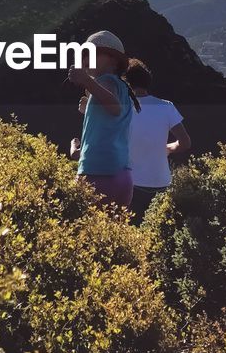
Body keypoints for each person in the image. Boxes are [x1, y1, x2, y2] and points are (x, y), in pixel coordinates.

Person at [68, 30, 140, 208]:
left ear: (113, 60)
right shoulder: (121, 87)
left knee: (83, 231)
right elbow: (110, 120)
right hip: (122, 175)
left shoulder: (106, 81)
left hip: (97, 175)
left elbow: (114, 107)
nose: (87, 60)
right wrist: (89, 111)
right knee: (112, 233)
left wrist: (86, 81)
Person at [122, 59, 190, 218]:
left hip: (133, 184)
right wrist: (168, 148)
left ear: (126, 83)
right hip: (162, 183)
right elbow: (185, 142)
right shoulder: (167, 107)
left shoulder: (124, 109)